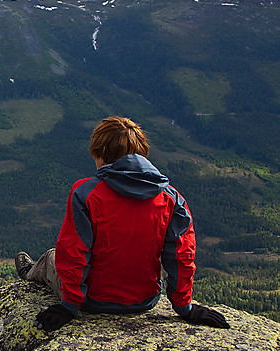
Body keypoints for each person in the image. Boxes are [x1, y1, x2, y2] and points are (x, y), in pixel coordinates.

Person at [15, 116, 229, 331]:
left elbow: (73, 251)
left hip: (92, 300)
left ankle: (31, 272)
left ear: (101, 154)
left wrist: (69, 306)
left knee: (54, 256)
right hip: (145, 301)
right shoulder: (171, 198)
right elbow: (182, 255)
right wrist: (185, 307)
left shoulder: (86, 193)